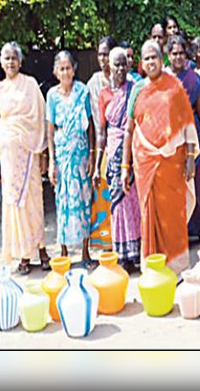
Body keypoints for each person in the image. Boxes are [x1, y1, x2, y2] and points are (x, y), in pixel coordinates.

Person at [121, 40, 198, 274]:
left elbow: (187, 125)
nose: (151, 62)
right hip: (145, 164)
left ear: (161, 59)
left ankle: (176, 267)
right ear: (141, 63)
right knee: (149, 214)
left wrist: (191, 157)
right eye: (146, 58)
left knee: (173, 214)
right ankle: (153, 268)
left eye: (154, 57)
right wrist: (126, 166)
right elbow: (129, 128)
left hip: (171, 163)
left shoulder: (174, 87)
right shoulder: (137, 90)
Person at [0, 42, 50, 275]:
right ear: (1, 61)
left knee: (34, 200)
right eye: (6, 58)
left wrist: (43, 153)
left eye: (14, 58)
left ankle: (42, 249)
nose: (11, 62)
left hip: (30, 152)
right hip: (8, 154)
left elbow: (41, 118)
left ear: (21, 61)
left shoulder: (31, 85)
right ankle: (23, 254)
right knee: (14, 203)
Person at [46, 51, 95, 268]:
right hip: (63, 154)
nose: (65, 72)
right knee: (63, 201)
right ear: (56, 72)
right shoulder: (52, 96)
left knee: (84, 200)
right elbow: (50, 131)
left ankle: (85, 252)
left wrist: (92, 154)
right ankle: (64, 252)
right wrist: (51, 162)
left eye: (68, 68)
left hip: (81, 153)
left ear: (74, 69)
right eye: (61, 68)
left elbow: (91, 125)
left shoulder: (83, 92)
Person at [96, 47, 142, 273]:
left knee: (134, 202)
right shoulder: (104, 95)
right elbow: (101, 132)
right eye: (116, 64)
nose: (120, 68)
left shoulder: (135, 90)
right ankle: (123, 255)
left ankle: (138, 252)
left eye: (124, 63)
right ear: (109, 68)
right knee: (118, 204)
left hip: (134, 151)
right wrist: (97, 166)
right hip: (113, 153)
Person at [167, 35, 200, 240]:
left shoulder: (194, 79)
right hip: (171, 138)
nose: (178, 57)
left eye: (182, 53)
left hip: (193, 135)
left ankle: (197, 230)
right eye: (174, 53)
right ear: (168, 55)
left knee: (197, 184)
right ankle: (178, 231)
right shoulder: (162, 79)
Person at [88, 36, 117, 251]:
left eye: (106, 54)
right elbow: (92, 123)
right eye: (99, 54)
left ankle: (123, 242)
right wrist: (94, 156)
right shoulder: (94, 83)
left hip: (120, 146)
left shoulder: (123, 82)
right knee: (103, 199)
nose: (102, 58)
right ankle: (106, 243)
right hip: (101, 147)